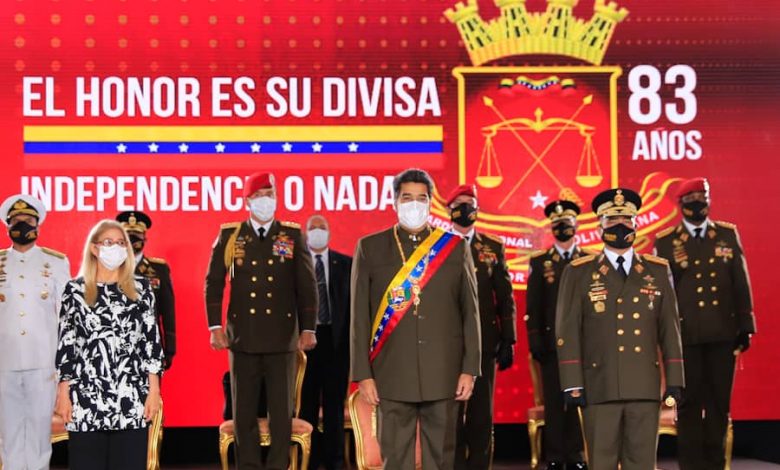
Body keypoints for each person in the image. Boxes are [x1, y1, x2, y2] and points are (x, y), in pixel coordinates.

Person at [350, 168, 481, 469]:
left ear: (431, 203)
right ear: (394, 202)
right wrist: (362, 373)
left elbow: (470, 314)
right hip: (391, 372)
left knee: (441, 459)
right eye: (407, 198)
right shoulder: (370, 247)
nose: (414, 204)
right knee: (396, 460)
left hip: (444, 372)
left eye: (421, 198)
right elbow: (359, 317)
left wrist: (469, 369)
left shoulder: (454, 248)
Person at [555, 188, 684, 470]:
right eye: (612, 220)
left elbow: (670, 330)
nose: (620, 226)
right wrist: (573, 382)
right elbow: (568, 331)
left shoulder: (657, 270)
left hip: (644, 386)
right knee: (601, 462)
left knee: (642, 463)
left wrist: (675, 379)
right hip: (599, 384)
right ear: (599, 226)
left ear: (636, 224)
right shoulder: (579, 272)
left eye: (627, 219)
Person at [205, 171, 318, 470]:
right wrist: (215, 327)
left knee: (281, 412)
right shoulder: (231, 236)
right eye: (259, 196)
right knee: (243, 412)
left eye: (270, 195)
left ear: (277, 198)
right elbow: (214, 282)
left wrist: (308, 328)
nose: (265, 201)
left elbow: (307, 285)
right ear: (247, 201)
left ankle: (279, 466)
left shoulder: (291, 235)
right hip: (243, 337)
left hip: (282, 338)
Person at [653, 177, 756, 470]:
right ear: (681, 204)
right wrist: (663, 332)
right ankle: (691, 465)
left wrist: (746, 325)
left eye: (702, 196)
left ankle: (714, 464)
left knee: (718, 404)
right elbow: (662, 292)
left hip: (723, 334)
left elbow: (740, 281)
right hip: (685, 337)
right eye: (691, 198)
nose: (698, 202)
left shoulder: (726, 234)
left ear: (709, 200)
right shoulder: (666, 241)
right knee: (688, 405)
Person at [54, 219, 163, 470]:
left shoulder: (142, 289)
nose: (116, 248)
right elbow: (67, 344)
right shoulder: (75, 290)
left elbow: (151, 342)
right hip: (86, 398)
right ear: (94, 248)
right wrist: (64, 393)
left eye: (121, 243)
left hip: (131, 396)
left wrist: (153, 390)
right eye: (108, 242)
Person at [445, 184, 516, 470]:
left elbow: (505, 295)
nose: (465, 209)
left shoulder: (492, 247)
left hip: (485, 342)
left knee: (481, 416)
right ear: (449, 210)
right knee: (450, 417)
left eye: (470, 204)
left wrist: (509, 338)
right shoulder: (436, 245)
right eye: (459, 204)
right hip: (446, 345)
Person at [0, 194, 70, 470]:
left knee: (40, 437)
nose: (22, 225)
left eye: (28, 220)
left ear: (38, 225)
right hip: (4, 362)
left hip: (43, 362)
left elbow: (66, 316)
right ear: (7, 225)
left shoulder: (55, 262)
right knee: (9, 436)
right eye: (16, 220)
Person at [525, 200, 587, 470]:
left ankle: (576, 455)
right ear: (551, 228)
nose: (563, 228)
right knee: (554, 402)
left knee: (579, 400)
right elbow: (533, 305)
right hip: (551, 345)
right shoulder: (541, 262)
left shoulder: (589, 259)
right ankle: (554, 456)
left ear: (576, 225)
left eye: (567, 223)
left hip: (584, 345)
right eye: (558, 224)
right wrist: (535, 340)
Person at [300, 214, 353, 470]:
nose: (318, 232)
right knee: (307, 405)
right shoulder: (297, 265)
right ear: (306, 234)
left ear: (330, 233)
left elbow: (352, 307)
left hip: (336, 342)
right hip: (305, 343)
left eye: (322, 228)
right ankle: (309, 460)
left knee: (334, 407)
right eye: (313, 228)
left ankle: (335, 462)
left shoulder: (346, 264)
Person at [116, 211, 177, 371]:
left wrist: (169, 348)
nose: (132, 240)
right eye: (128, 235)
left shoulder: (158, 269)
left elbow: (167, 311)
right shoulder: (109, 267)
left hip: (149, 345)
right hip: (115, 346)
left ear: (145, 238)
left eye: (137, 235)